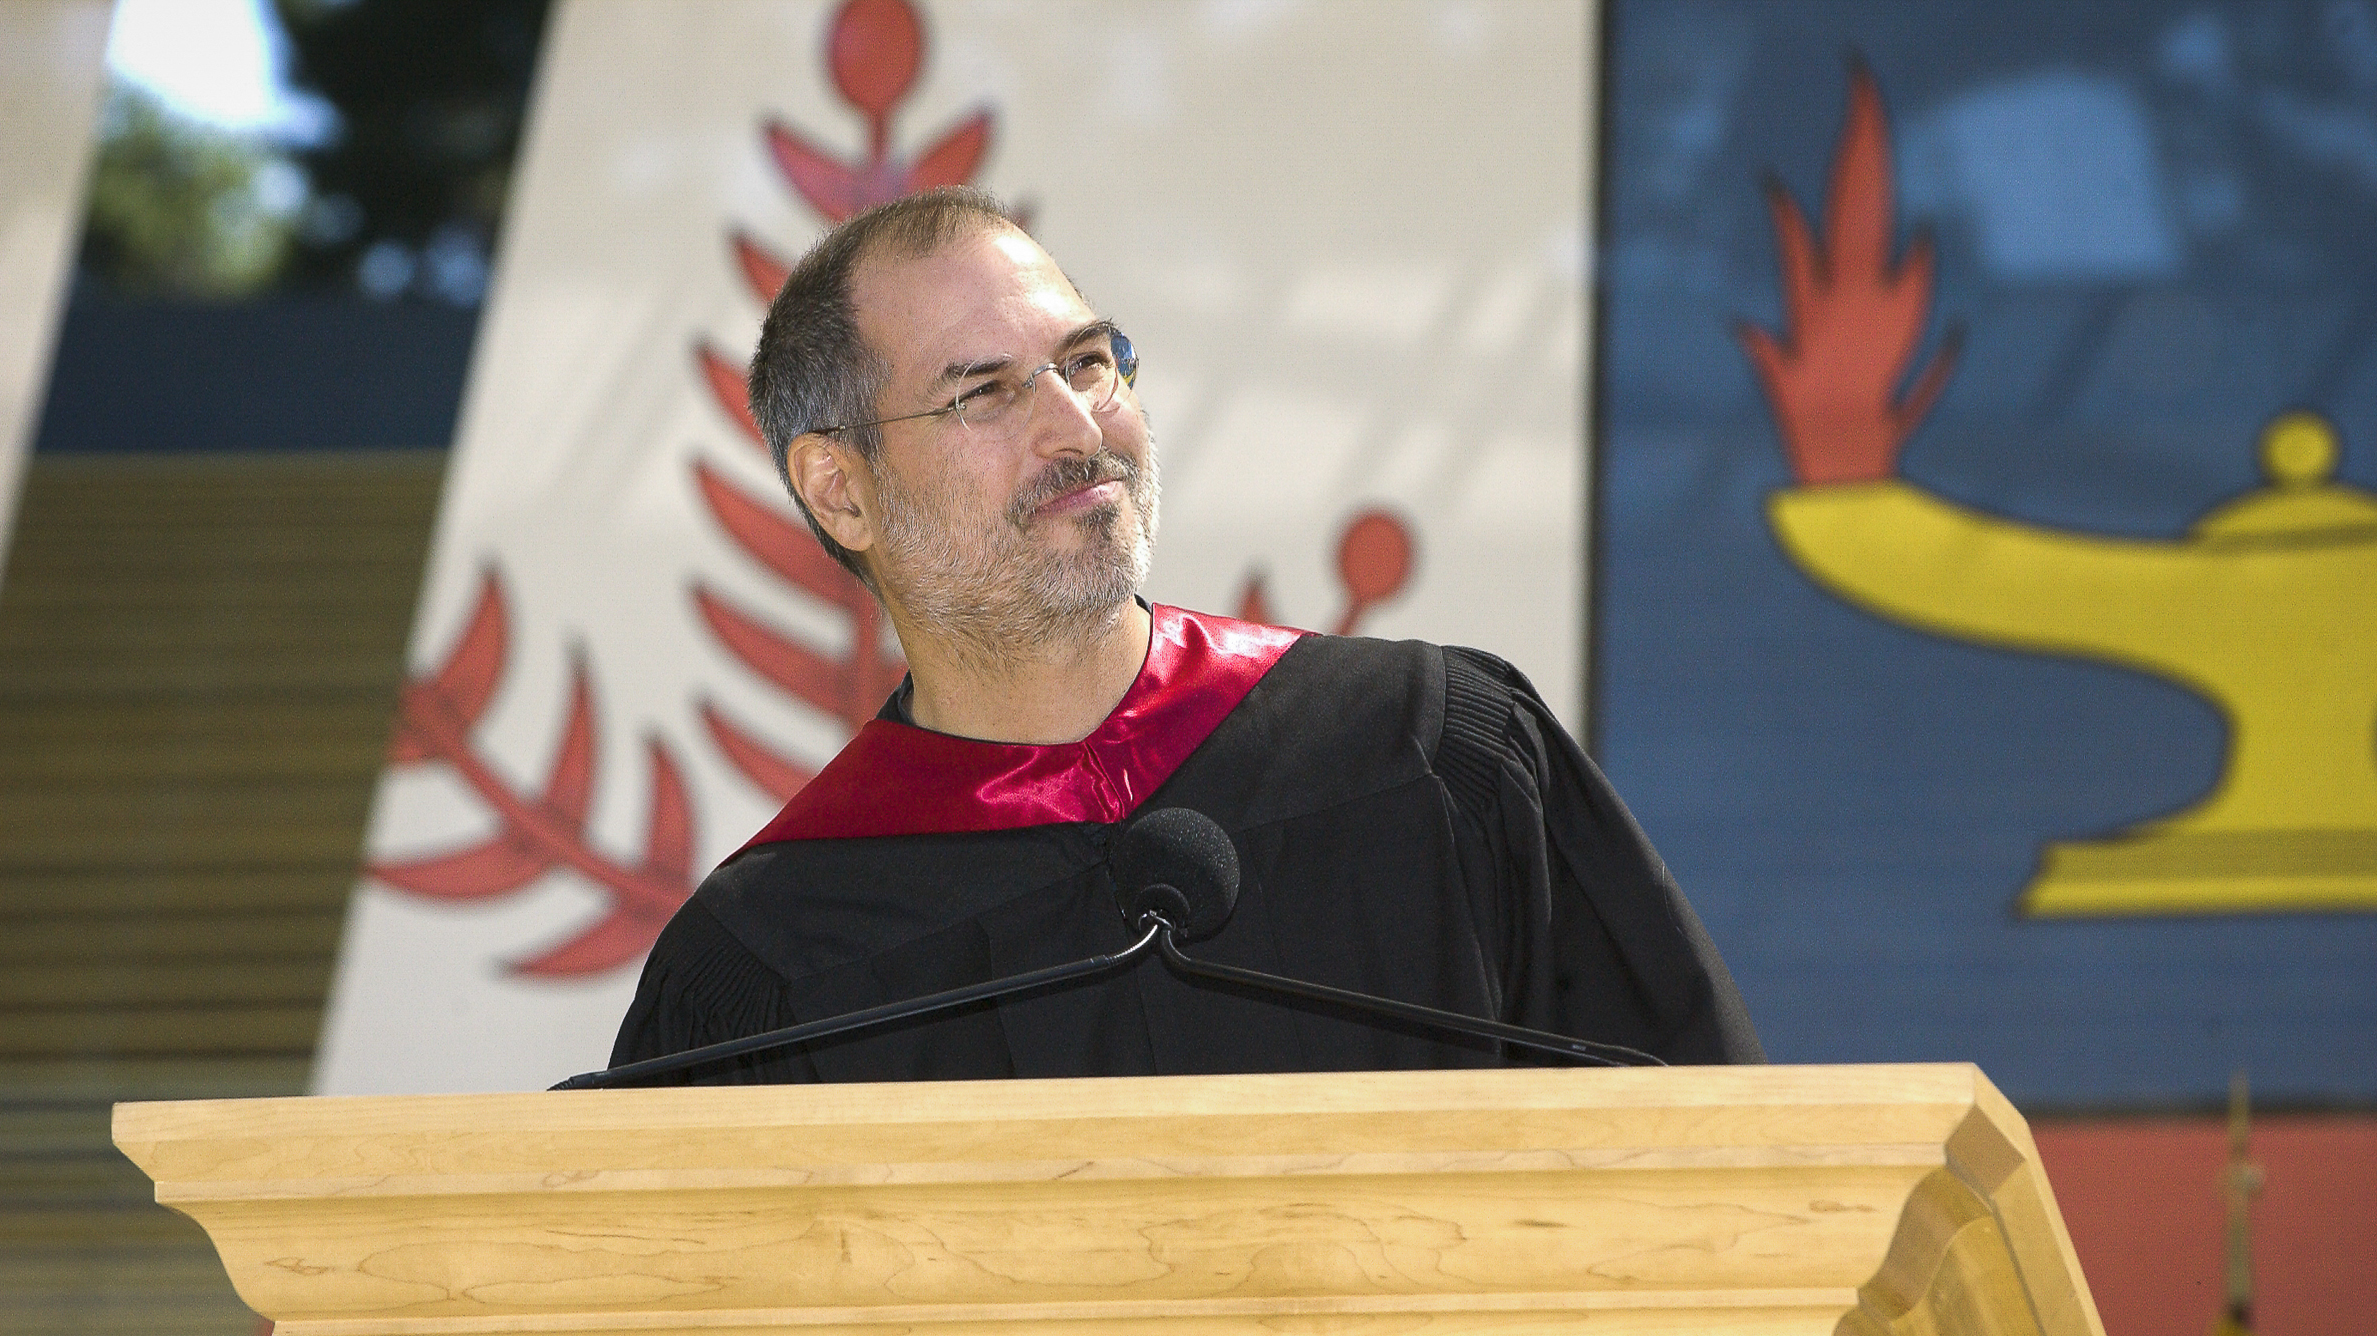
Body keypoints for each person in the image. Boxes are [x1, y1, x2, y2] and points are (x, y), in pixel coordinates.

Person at [607, 187, 1759, 1083]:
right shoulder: (768, 960)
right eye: (986, 393)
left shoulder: (1426, 751)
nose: (1077, 426)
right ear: (841, 492)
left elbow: (1713, 1163)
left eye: (1089, 362)